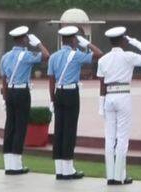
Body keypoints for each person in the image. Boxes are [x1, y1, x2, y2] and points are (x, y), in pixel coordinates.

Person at [97, 26, 141, 185]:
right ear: (123, 40)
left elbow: (101, 85)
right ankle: (119, 176)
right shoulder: (128, 56)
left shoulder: (103, 59)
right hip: (123, 95)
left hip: (109, 97)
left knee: (109, 138)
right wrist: (138, 43)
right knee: (122, 138)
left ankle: (110, 176)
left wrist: (101, 105)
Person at [48, 25, 103, 180]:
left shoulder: (54, 56)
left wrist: (52, 99)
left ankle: (59, 169)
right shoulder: (77, 55)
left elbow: (51, 81)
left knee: (59, 129)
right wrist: (86, 43)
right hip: (71, 93)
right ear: (73, 39)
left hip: (58, 93)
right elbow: (99, 54)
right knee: (69, 130)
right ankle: (68, 170)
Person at [0, 25, 50, 175]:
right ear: (22, 39)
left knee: (10, 126)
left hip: (10, 92)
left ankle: (8, 164)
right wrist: (39, 43)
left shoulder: (5, 56)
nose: (28, 39)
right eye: (26, 37)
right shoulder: (26, 56)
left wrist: (5, 96)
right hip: (21, 92)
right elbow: (47, 56)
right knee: (20, 127)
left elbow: (3, 79)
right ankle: (17, 165)